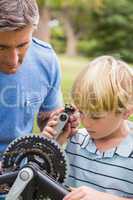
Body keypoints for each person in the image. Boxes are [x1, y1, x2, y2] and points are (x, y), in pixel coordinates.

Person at [45, 56, 133, 200]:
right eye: (81, 111)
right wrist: (53, 144)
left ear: (127, 111)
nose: (86, 122)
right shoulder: (76, 141)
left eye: (96, 116)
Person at [0, 0, 78, 158]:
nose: (13, 61)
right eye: (1, 47)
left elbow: (45, 118)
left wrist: (57, 124)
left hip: (21, 166)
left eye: (22, 45)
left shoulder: (46, 59)